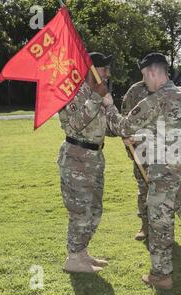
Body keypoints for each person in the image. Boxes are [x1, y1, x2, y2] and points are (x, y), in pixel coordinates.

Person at [105, 53, 181, 290]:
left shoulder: (154, 100)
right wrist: (141, 136)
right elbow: (170, 132)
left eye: (144, 76)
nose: (144, 81)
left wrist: (110, 106)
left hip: (166, 177)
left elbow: (122, 126)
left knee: (160, 225)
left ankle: (162, 277)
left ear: (152, 72)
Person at [58, 52, 114, 273]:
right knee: (80, 210)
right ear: (91, 70)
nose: (108, 74)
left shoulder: (97, 93)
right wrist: (98, 98)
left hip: (95, 159)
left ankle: (82, 253)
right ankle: (73, 259)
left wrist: (127, 130)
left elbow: (106, 126)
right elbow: (75, 125)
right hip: (76, 159)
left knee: (94, 209)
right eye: (103, 69)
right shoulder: (72, 93)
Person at [120, 81, 150, 241]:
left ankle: (163, 228)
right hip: (142, 150)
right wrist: (131, 147)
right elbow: (125, 120)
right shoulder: (135, 90)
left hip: (166, 151)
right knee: (144, 188)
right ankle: (145, 225)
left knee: (165, 190)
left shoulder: (169, 90)